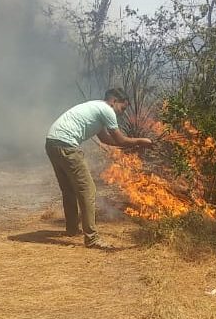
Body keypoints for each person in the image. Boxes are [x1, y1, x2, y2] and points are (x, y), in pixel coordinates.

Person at [45, 88, 152, 249]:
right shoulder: (106, 110)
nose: (122, 113)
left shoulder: (96, 108)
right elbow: (120, 139)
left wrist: (131, 145)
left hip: (52, 142)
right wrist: (140, 141)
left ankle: (72, 229)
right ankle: (92, 239)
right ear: (114, 101)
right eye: (122, 108)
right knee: (88, 191)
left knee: (68, 190)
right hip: (67, 146)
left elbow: (105, 139)